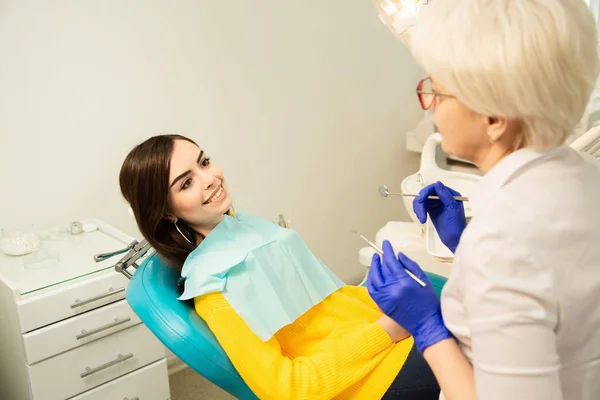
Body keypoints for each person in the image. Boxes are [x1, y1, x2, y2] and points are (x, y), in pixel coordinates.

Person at [367, 1, 600, 400]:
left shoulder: (502, 241)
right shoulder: (585, 173)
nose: (432, 106)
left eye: (436, 92)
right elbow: (550, 289)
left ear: (493, 118)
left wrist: (427, 328)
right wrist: (464, 245)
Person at [119, 134, 440, 399]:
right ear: (166, 213)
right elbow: (289, 391)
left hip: (388, 335)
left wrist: (392, 302)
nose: (209, 178)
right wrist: (386, 330)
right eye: (186, 183)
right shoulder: (215, 290)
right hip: (371, 382)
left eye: (204, 162)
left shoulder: (242, 226)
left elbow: (325, 309)